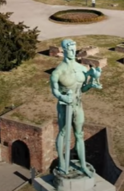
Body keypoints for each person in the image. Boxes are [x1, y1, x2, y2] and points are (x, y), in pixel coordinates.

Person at [50, 39, 102, 178]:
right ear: (64, 50)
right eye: (70, 50)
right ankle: (61, 162)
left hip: (78, 105)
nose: (73, 52)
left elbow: (82, 89)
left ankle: (83, 164)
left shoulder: (82, 69)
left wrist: (91, 85)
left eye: (74, 49)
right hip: (64, 107)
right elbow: (55, 91)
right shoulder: (58, 72)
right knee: (63, 133)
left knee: (79, 134)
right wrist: (63, 97)